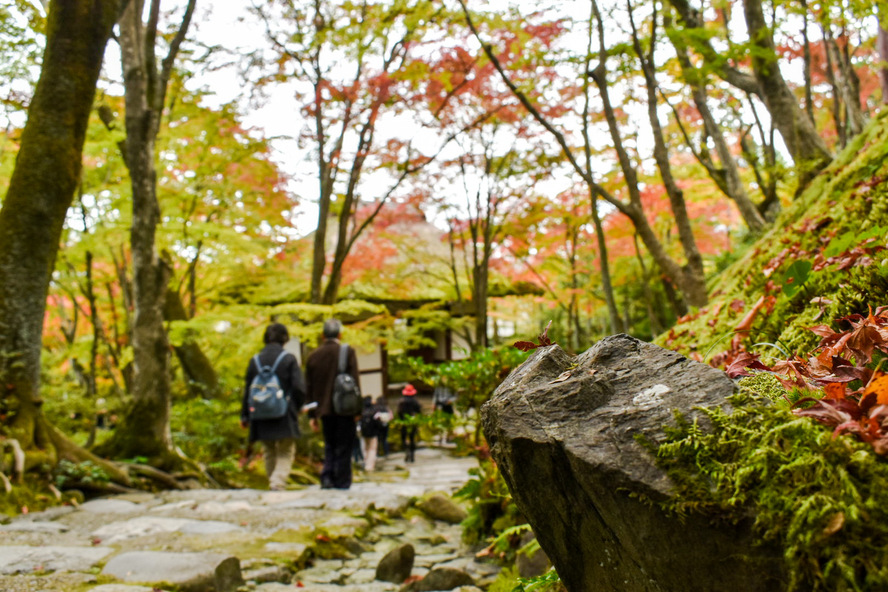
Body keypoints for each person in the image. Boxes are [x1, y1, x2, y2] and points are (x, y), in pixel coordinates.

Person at [241, 322, 306, 491]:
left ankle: (273, 482)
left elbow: (248, 390)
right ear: (285, 338)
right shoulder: (289, 358)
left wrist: (245, 416)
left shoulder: (254, 361)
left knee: (268, 449)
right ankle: (277, 482)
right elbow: (298, 387)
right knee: (286, 449)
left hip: (260, 412)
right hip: (283, 411)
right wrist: (298, 406)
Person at [305, 318, 360, 489]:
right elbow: (355, 382)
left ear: (322, 335)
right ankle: (342, 480)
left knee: (330, 443)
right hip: (345, 408)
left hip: (323, 409)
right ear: (340, 334)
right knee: (344, 445)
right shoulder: (347, 351)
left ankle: (327, 477)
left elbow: (309, 388)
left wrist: (312, 415)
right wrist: (358, 410)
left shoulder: (313, 356)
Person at [360, 395, 391, 471]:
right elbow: (378, 422)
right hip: (373, 433)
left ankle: (365, 461)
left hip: (364, 433)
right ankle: (369, 465)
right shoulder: (374, 411)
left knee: (366, 448)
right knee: (372, 449)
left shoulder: (362, 411)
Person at [397, 384, 422, 462]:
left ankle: (406, 450)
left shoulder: (401, 402)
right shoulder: (415, 402)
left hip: (404, 422)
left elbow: (399, 412)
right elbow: (419, 411)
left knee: (404, 438)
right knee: (412, 438)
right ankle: (412, 455)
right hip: (413, 422)